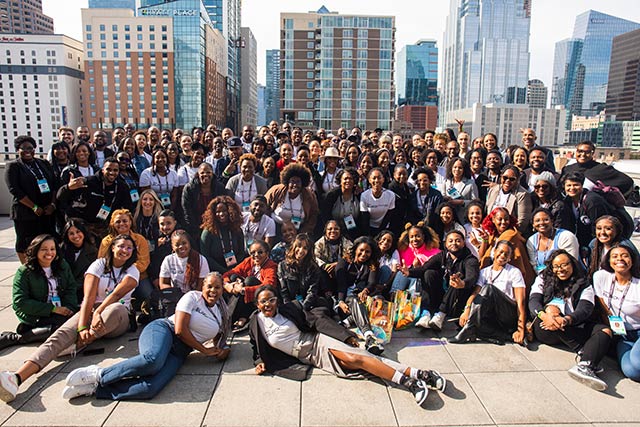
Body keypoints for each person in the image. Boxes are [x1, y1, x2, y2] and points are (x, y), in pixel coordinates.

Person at [249, 285, 447, 406]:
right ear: (257, 304)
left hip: (317, 342)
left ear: (277, 300)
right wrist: (259, 360)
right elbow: (255, 345)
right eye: (263, 301)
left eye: (272, 300)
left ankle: (409, 383)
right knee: (361, 367)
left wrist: (344, 336)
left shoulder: (289, 308)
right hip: (308, 357)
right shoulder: (255, 322)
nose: (268, 305)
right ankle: (422, 374)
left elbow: (316, 321)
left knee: (356, 357)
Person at [0, 234, 140, 403]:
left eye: (129, 248)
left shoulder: (133, 270)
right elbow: (88, 298)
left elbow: (117, 295)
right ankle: (17, 378)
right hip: (91, 310)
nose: (124, 250)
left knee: (114, 309)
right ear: (112, 247)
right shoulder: (99, 264)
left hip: (118, 317)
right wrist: (82, 326)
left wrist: (97, 314)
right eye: (121, 246)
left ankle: (79, 344)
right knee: (59, 336)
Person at [59, 272, 231, 400]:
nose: (213, 290)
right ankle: (99, 374)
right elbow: (180, 330)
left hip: (180, 351)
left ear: (222, 290)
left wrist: (220, 351)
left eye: (217, 287)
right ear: (203, 287)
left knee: (150, 388)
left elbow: (219, 338)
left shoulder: (221, 313)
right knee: (153, 360)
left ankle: (95, 389)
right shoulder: (192, 297)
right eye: (209, 286)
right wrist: (204, 351)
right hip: (164, 330)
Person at [529, 249, 612, 391]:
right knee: (552, 309)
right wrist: (545, 315)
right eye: (556, 266)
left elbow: (585, 309)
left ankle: (585, 366)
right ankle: (582, 350)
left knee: (605, 330)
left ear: (573, 264)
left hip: (571, 324)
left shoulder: (584, 283)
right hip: (544, 327)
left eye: (564, 265)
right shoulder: (543, 278)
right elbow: (533, 302)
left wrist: (566, 320)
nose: (560, 269)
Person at [0, 235, 78, 351]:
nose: (49, 253)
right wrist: (52, 309)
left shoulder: (62, 265)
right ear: (35, 250)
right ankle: (19, 338)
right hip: (36, 313)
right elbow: (20, 302)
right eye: (44, 249)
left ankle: (36, 331)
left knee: (79, 323)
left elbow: (71, 288)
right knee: (63, 329)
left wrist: (68, 307)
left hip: (60, 310)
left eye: (52, 249)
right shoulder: (24, 272)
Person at [399, 230, 480, 331]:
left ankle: (440, 316)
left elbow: (472, 277)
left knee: (457, 280)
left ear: (464, 243)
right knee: (429, 273)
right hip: (441, 297)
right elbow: (424, 268)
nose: (454, 243)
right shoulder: (442, 256)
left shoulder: (470, 260)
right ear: (445, 244)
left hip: (457, 301)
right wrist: (409, 272)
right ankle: (426, 313)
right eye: (450, 241)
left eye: (458, 241)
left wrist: (462, 283)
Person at [449, 240, 526, 345]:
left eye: (506, 254)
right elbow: (476, 293)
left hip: (507, 313)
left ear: (509, 258)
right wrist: (466, 311)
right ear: (494, 252)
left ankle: (469, 329)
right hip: (492, 315)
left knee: (489, 288)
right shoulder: (484, 272)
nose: (502, 255)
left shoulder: (514, 272)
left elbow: (521, 302)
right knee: (462, 320)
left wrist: (520, 328)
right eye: (501, 251)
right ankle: (501, 336)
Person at [5, 135, 58, 263]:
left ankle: (45, 265)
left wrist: (52, 204)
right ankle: (27, 268)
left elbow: (54, 184)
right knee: (25, 242)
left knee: (45, 241)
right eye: (24, 148)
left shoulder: (43, 163)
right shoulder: (13, 166)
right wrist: (33, 207)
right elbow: (14, 190)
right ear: (18, 149)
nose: (28, 151)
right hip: (26, 212)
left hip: (46, 211)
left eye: (31, 148)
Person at [593, 244, 640, 382]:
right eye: (615, 256)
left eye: (625, 255)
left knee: (637, 364)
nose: (620, 259)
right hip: (622, 335)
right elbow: (601, 303)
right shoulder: (601, 277)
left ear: (632, 260)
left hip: (638, 331)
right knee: (631, 371)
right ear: (608, 261)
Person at [56, 157, 133, 239]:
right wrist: (68, 187)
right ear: (103, 170)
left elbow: (128, 208)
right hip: (84, 225)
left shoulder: (122, 187)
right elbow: (60, 196)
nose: (112, 172)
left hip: (105, 226)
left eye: (115, 170)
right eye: (108, 169)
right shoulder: (88, 182)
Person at [335, 237, 385, 355]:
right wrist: (341, 302)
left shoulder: (372, 265)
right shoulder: (344, 262)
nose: (364, 254)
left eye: (368, 252)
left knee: (379, 300)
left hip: (362, 298)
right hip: (345, 301)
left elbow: (372, 282)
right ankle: (369, 337)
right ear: (355, 249)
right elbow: (340, 285)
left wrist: (366, 290)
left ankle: (348, 321)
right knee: (355, 301)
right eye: (361, 250)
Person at [222, 240, 277, 331]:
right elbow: (229, 273)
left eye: (260, 252)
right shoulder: (249, 261)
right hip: (246, 296)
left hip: (261, 298)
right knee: (234, 277)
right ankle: (232, 316)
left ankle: (241, 316)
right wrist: (229, 285)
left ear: (267, 253)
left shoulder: (271, 266)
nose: (256, 255)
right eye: (252, 253)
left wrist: (243, 289)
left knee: (249, 280)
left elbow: (270, 285)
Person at [478, 207, 535, 286]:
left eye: (506, 219)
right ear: (493, 220)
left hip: (511, 280)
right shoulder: (493, 236)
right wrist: (485, 240)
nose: (503, 222)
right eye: (500, 219)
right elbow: (482, 257)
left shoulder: (511, 235)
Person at [158, 230, 209, 316]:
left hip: (195, 299)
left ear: (189, 244)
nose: (181, 246)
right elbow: (163, 283)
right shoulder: (168, 260)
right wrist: (176, 295)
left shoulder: (201, 260)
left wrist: (188, 300)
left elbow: (202, 286)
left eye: (184, 243)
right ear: (172, 247)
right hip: (174, 299)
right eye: (177, 245)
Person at [561, 140, 633, 196]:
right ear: (576, 152)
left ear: (593, 154)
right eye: (580, 151)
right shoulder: (568, 169)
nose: (583, 154)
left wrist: (604, 195)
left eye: (587, 152)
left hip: (591, 206)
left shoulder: (601, 169)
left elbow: (627, 181)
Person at [265, 163, 319, 234]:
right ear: (287, 182)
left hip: (299, 230)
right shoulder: (277, 190)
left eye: (298, 182)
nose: (295, 185)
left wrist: (305, 231)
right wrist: (269, 225)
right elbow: (264, 205)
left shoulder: (309, 195)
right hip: (276, 228)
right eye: (292, 181)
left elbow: (314, 214)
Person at [200, 195, 247, 274]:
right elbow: (206, 257)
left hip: (235, 269)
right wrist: (224, 271)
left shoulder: (237, 230)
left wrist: (233, 269)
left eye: (224, 211)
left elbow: (241, 252)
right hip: (214, 271)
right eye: (217, 212)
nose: (221, 214)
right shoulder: (208, 232)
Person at [278, 234, 326, 311]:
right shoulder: (282, 266)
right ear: (293, 247)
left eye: (305, 248)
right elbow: (283, 291)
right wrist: (290, 308)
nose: (301, 251)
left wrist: (303, 309)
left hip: (307, 306)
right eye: (298, 246)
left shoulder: (313, 268)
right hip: (289, 305)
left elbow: (312, 292)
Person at [181, 162, 227, 242]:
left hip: (215, 225)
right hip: (196, 226)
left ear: (212, 174)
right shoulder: (189, 188)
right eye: (202, 173)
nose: (205, 175)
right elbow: (187, 211)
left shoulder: (219, 187)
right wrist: (195, 230)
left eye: (208, 172)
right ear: (198, 174)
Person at [526, 208, 579, 274]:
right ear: (533, 224)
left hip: (566, 276)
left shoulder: (566, 236)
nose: (542, 223)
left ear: (552, 221)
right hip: (542, 278)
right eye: (537, 221)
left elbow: (571, 264)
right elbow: (534, 265)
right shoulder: (531, 241)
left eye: (546, 220)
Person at [485, 165, 532, 236]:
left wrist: (507, 235)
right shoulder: (493, 190)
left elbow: (522, 221)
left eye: (512, 179)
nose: (508, 181)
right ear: (501, 176)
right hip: (491, 232)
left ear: (517, 179)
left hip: (511, 234)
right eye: (505, 178)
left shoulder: (522, 194)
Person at [61, 218, 98, 302]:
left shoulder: (93, 252)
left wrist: (72, 288)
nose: (75, 236)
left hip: (82, 291)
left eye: (78, 232)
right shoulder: (61, 250)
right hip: (63, 290)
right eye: (71, 233)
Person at [314, 220, 353, 297]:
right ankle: (327, 294)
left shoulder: (346, 242)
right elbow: (315, 257)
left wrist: (337, 264)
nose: (333, 231)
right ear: (325, 231)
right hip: (325, 270)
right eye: (330, 229)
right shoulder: (320, 243)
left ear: (340, 230)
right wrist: (325, 266)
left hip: (341, 271)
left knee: (341, 268)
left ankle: (341, 295)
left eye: (336, 229)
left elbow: (351, 255)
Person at [322, 168, 361, 240]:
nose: (348, 181)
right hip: (333, 232)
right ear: (340, 181)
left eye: (351, 179)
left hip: (352, 231)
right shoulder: (332, 195)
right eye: (345, 179)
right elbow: (325, 216)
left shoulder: (358, 195)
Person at [359, 167, 396, 236]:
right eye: (374, 178)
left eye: (379, 178)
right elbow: (365, 219)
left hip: (384, 228)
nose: (376, 181)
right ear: (369, 180)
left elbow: (388, 216)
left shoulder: (391, 195)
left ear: (383, 179)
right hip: (370, 228)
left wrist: (380, 234)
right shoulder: (364, 196)